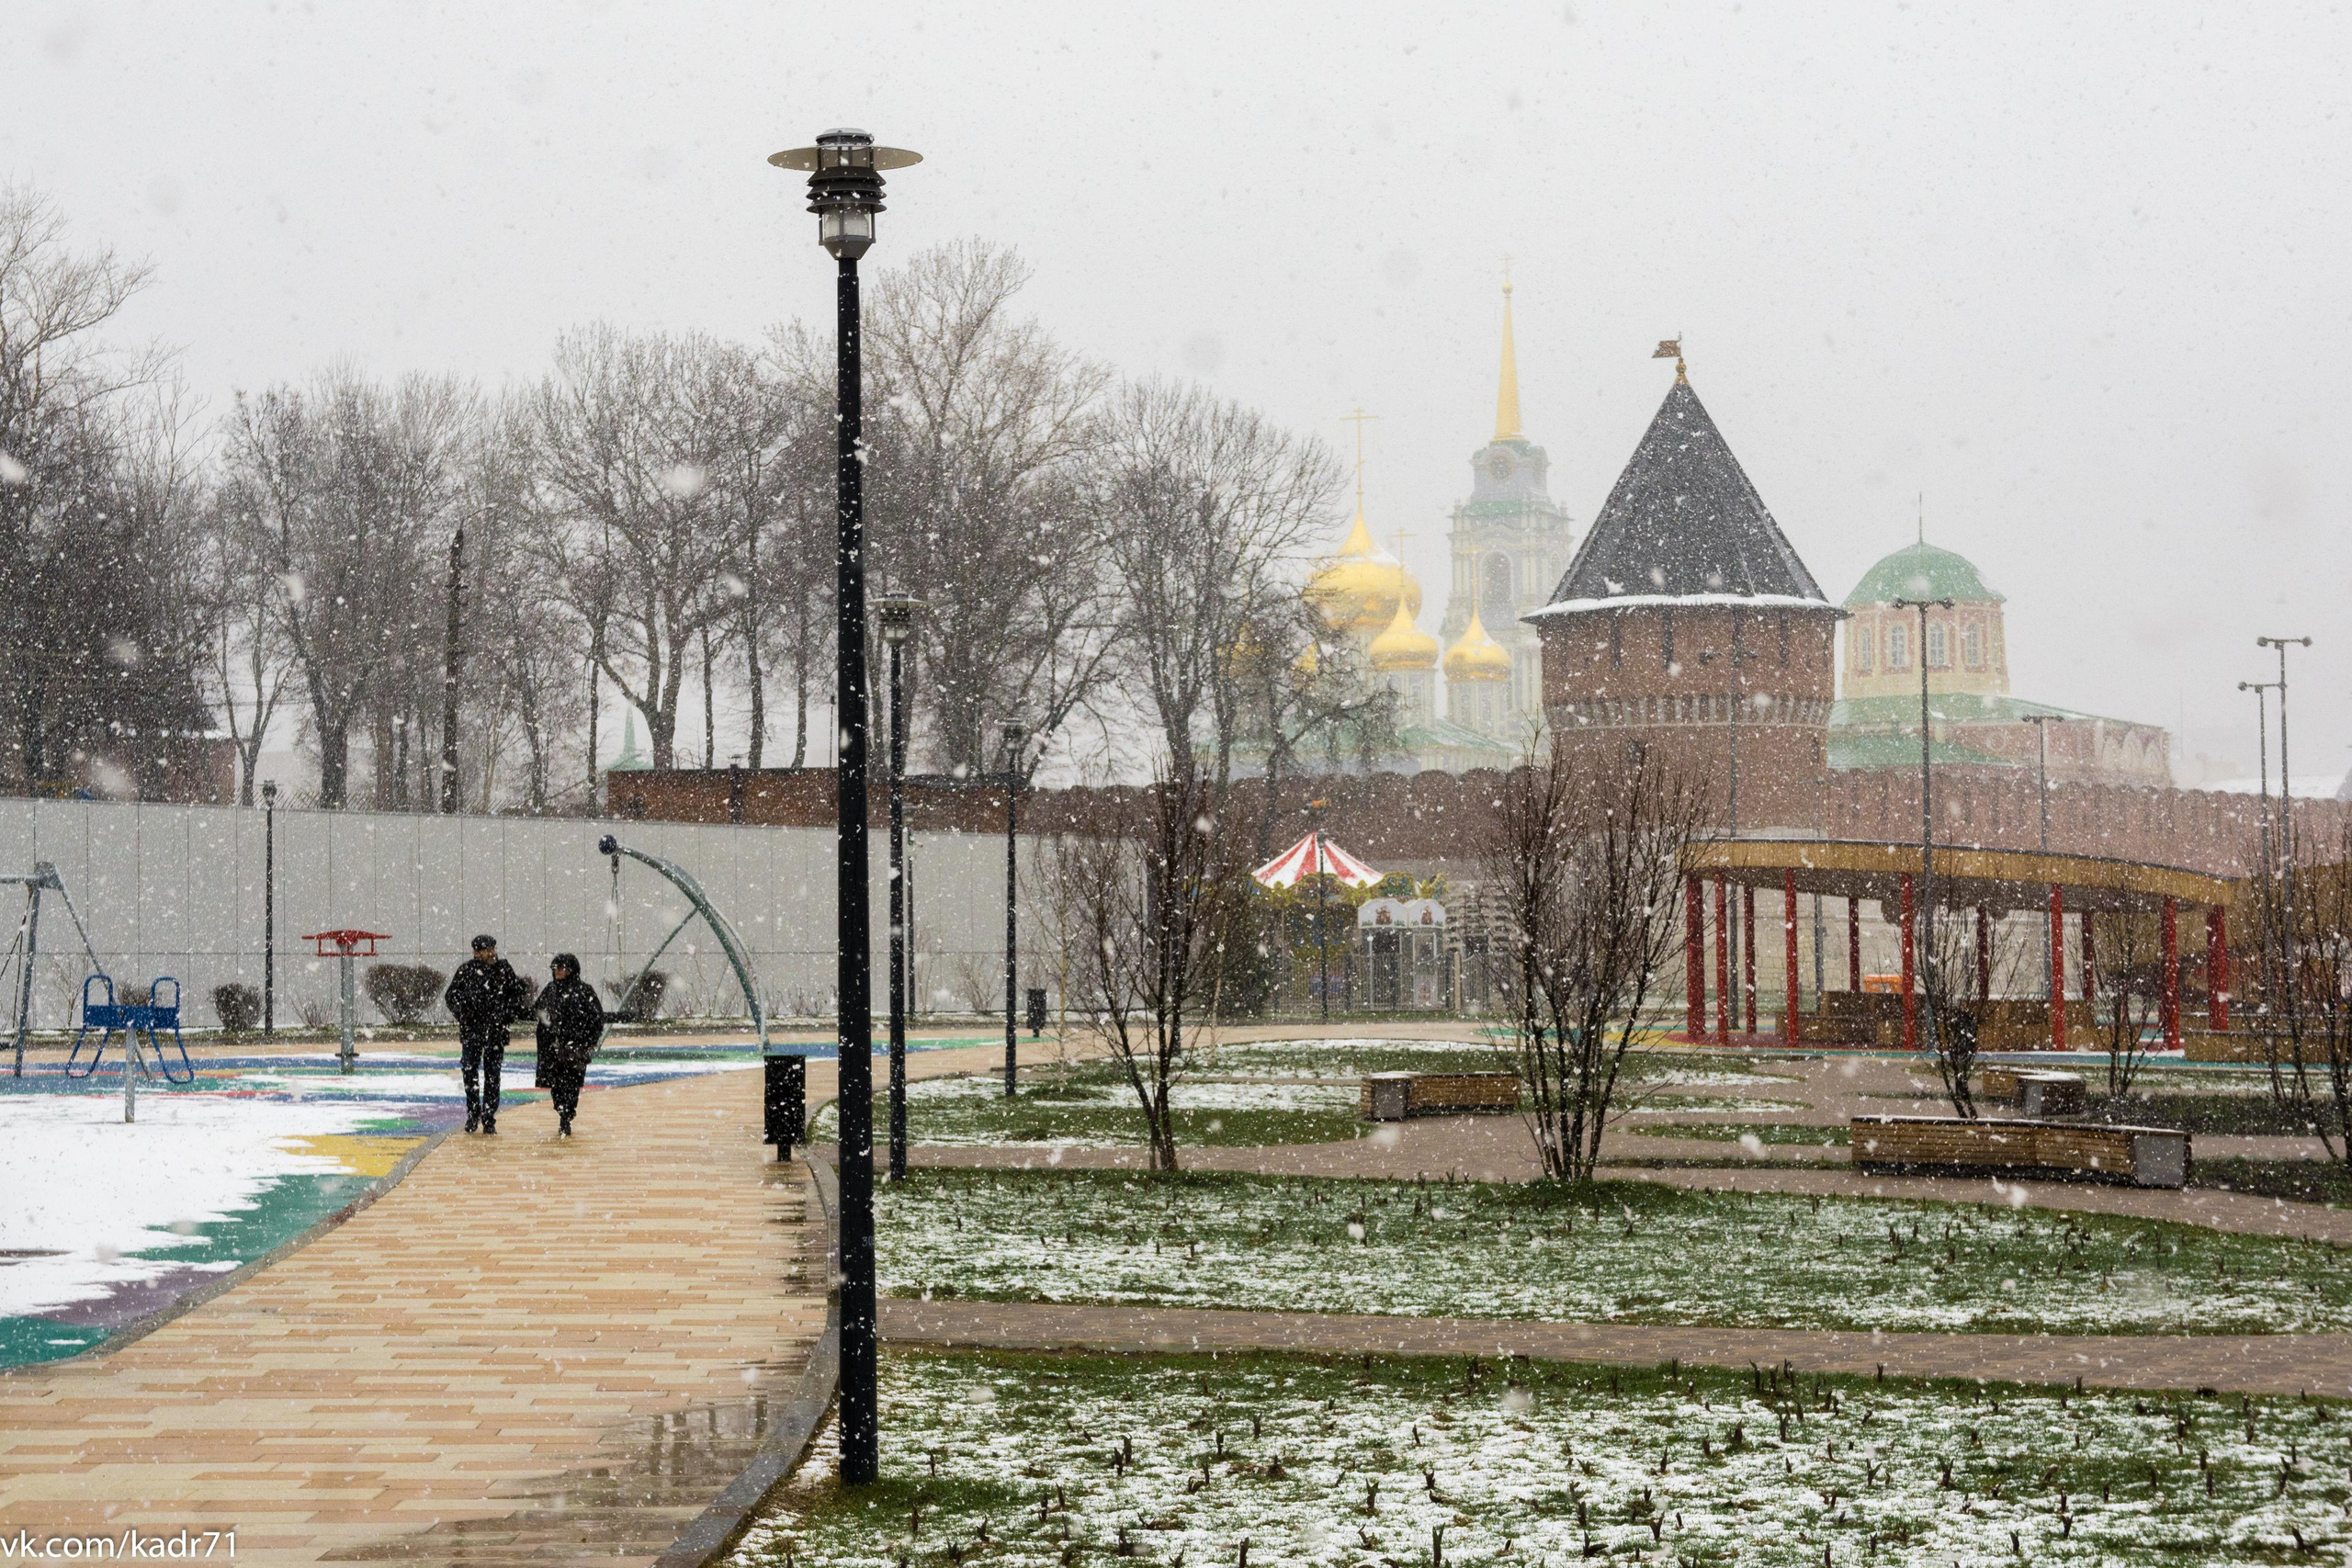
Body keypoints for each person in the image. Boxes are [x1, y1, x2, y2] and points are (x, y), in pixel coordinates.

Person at [444, 934, 532, 1134]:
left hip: (495, 1032)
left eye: (493, 948)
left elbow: (518, 993)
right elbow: (451, 996)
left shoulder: (503, 969)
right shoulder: (466, 971)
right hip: (472, 1032)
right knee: (469, 1071)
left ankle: (489, 1117)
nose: (492, 953)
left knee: (493, 1075)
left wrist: (508, 1014)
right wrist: (463, 1015)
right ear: (477, 952)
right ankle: (473, 1114)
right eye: (487, 950)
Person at [532, 953, 605, 1138]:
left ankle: (566, 1115)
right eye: (555, 968)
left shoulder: (584, 991)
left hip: (575, 1047)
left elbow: (596, 1017)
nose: (557, 972)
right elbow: (539, 1012)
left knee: (572, 1083)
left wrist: (588, 1041)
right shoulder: (551, 990)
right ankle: (562, 1111)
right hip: (553, 1048)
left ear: (571, 970)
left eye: (561, 968)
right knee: (556, 1085)